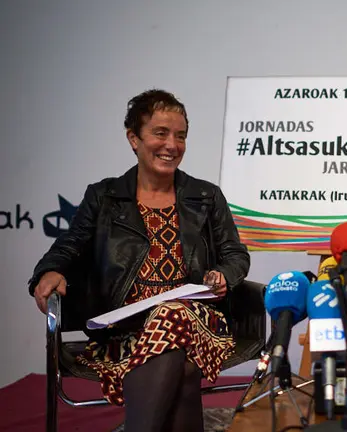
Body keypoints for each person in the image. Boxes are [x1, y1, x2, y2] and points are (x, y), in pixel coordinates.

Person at [29, 89, 250, 432]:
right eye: (161, 133)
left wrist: (223, 274)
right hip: (125, 331)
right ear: (134, 138)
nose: (172, 145)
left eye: (180, 136)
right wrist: (50, 270)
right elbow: (70, 244)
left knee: (172, 312)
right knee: (182, 366)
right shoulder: (104, 196)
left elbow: (235, 255)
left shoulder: (206, 196)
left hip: (197, 321)